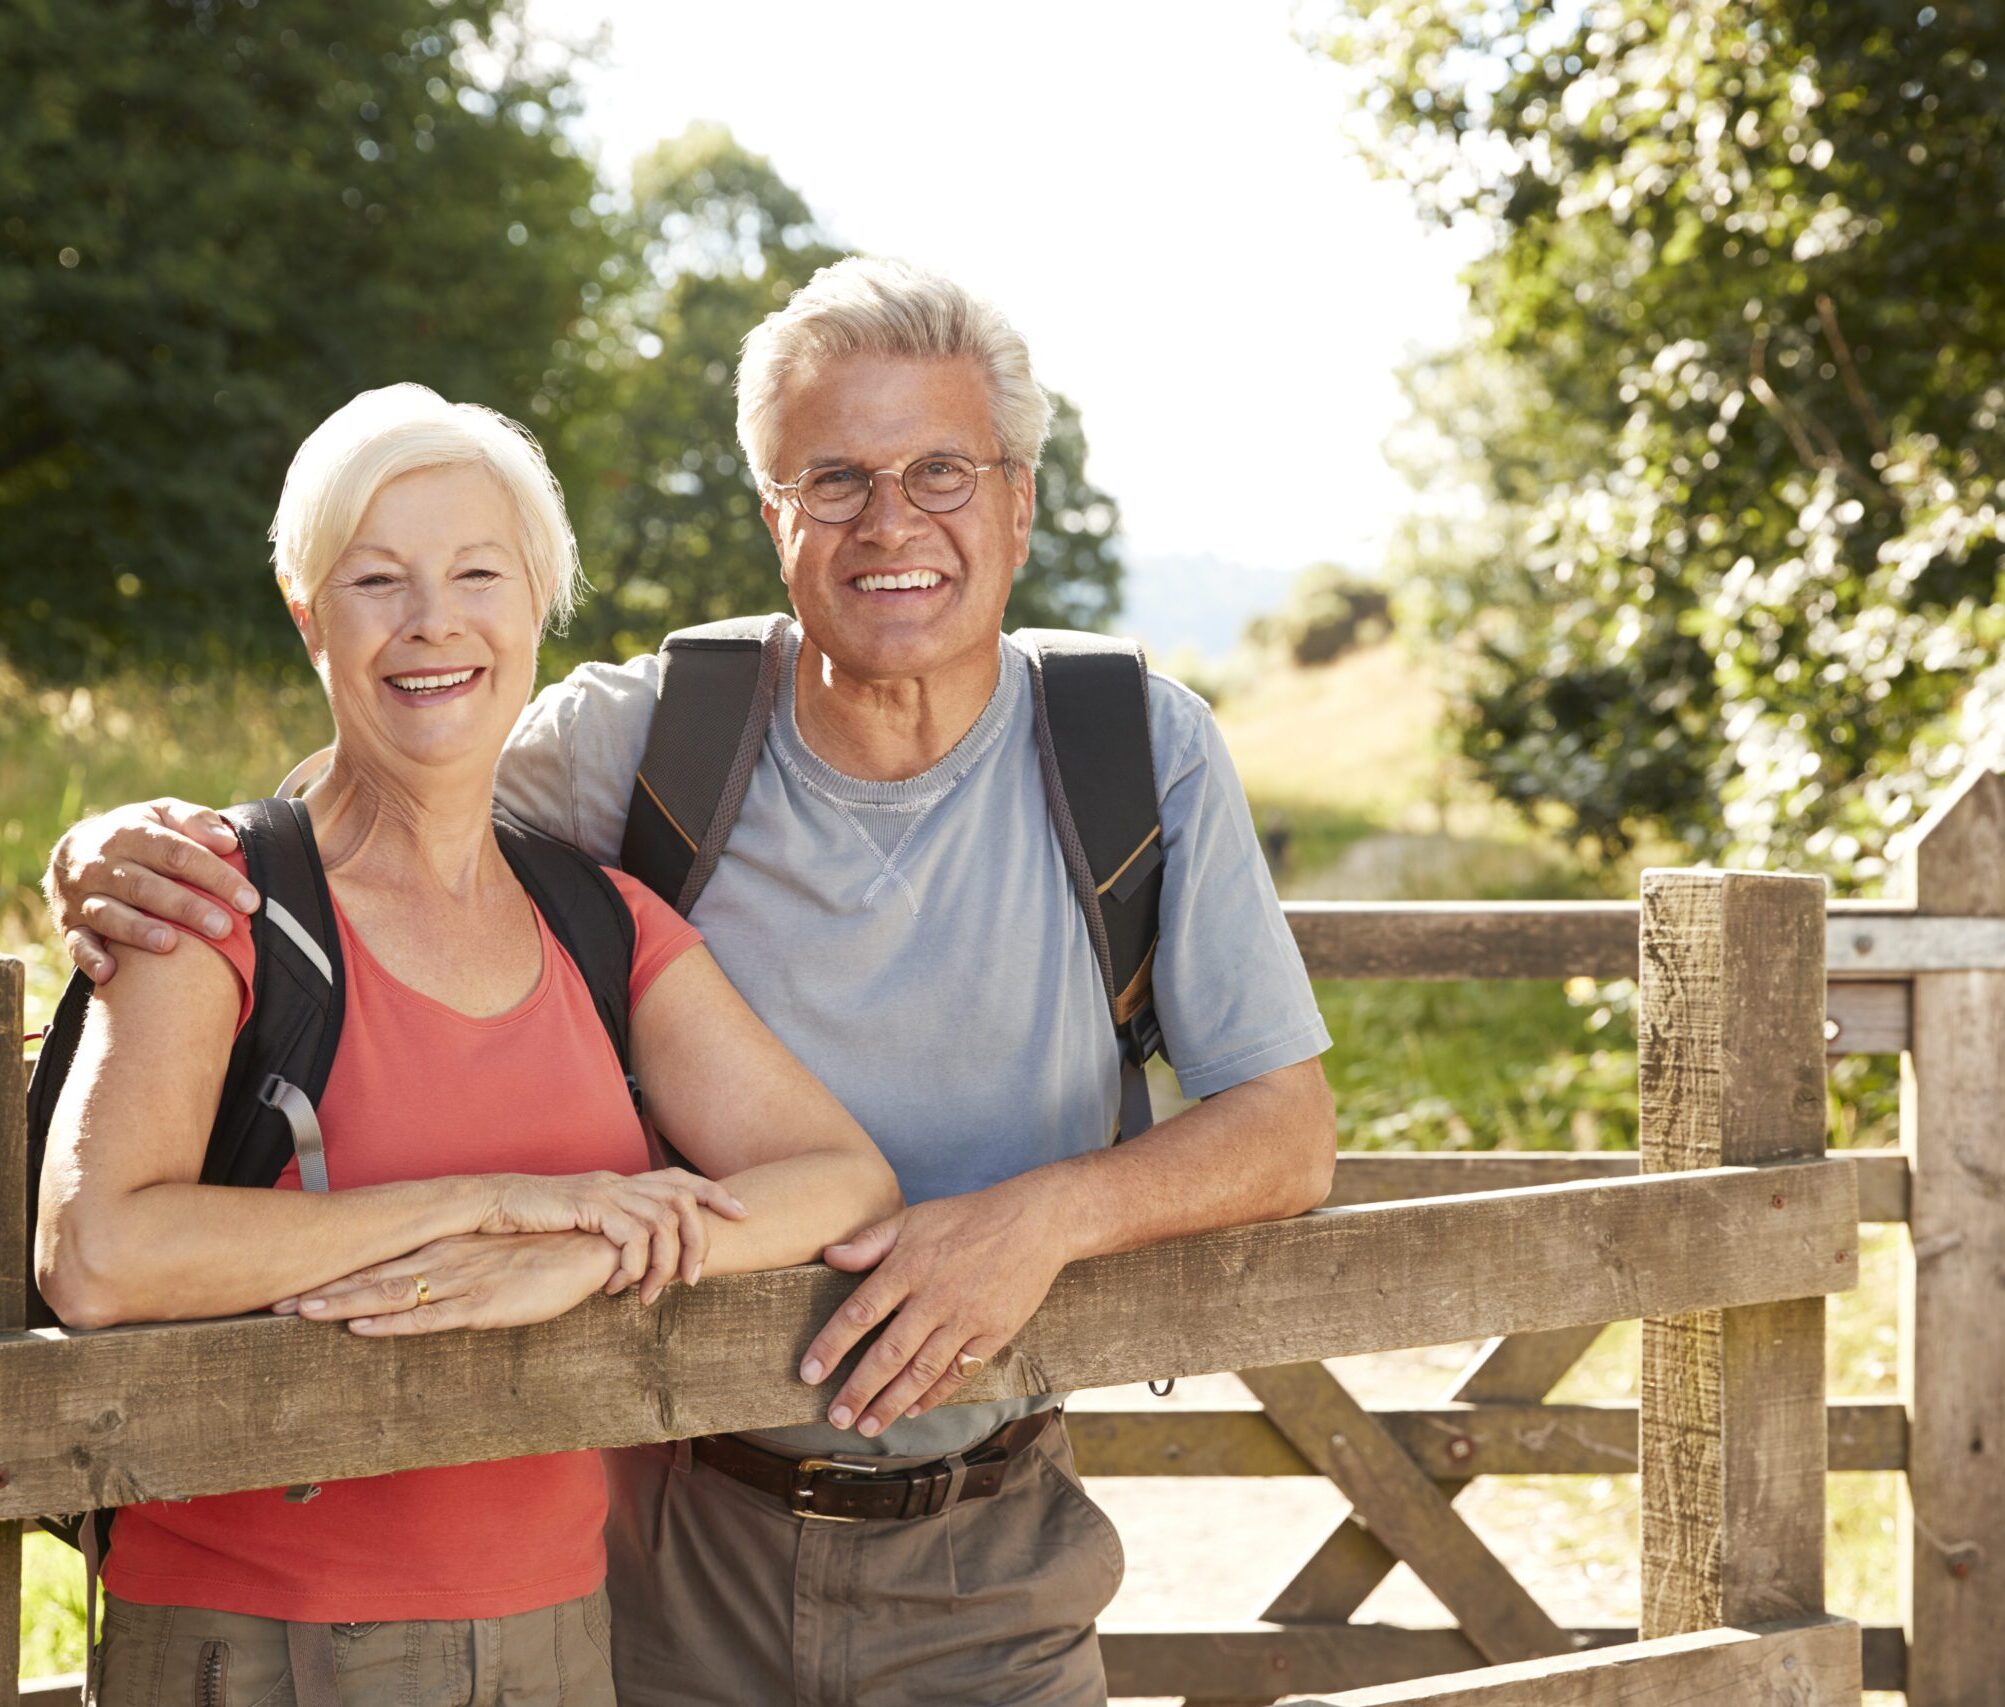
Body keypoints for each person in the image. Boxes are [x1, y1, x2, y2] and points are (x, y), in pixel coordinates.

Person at [51, 257, 1338, 1706]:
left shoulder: (1130, 750)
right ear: (773, 514)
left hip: (986, 1539)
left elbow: (1284, 1130)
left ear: (1020, 499)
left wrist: (1034, 1222)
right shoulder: (644, 741)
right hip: (657, 1533)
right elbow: (369, 811)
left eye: (940, 472)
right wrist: (129, 842)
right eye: (835, 480)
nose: (890, 524)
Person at [37, 383, 902, 1707]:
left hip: (558, 1630)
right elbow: (97, 1256)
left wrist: (585, 1249)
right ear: (304, 607)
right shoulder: (204, 898)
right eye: (376, 578)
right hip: (253, 1645)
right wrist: (501, 1207)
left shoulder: (595, 917)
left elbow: (841, 1178)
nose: (432, 620)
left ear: (536, 601)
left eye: (477, 573)